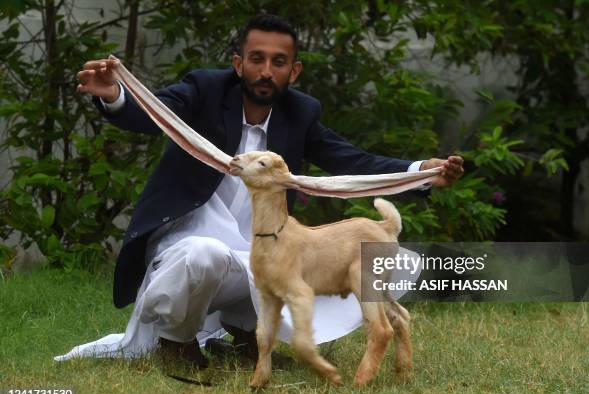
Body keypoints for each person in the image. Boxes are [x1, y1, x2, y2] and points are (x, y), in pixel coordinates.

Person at [58, 14, 464, 368]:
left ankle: (241, 331)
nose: (266, 70)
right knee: (204, 255)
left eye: (278, 62)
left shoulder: (301, 113)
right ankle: (175, 343)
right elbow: (155, 113)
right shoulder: (204, 89)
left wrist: (419, 173)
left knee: (315, 263)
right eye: (257, 59)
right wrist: (114, 95)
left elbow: (351, 161)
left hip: (258, 255)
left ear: (295, 71)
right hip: (185, 244)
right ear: (238, 64)